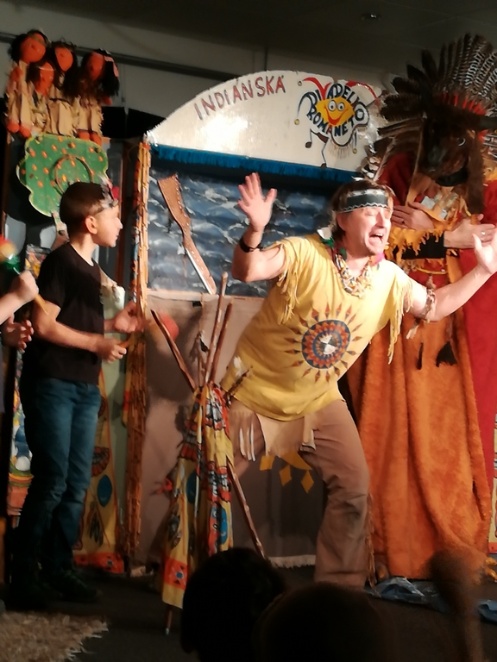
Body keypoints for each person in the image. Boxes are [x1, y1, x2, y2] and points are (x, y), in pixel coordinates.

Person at [220, 172, 497, 589]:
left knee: (353, 489)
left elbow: (435, 307)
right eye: (371, 213)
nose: (384, 222)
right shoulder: (304, 253)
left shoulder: (387, 278)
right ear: (343, 220)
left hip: (318, 401)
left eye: (386, 213)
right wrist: (254, 231)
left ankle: (339, 592)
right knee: (211, 480)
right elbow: (249, 269)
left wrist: (483, 273)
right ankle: (181, 573)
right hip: (255, 395)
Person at [8, 181, 141, 611]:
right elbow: (44, 325)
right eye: (114, 216)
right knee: (52, 480)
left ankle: (57, 567)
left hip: (81, 387)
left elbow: (73, 320)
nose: (119, 224)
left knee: (75, 482)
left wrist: (112, 326)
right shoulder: (62, 262)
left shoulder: (88, 268)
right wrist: (97, 344)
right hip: (53, 383)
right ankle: (24, 576)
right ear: (91, 222)